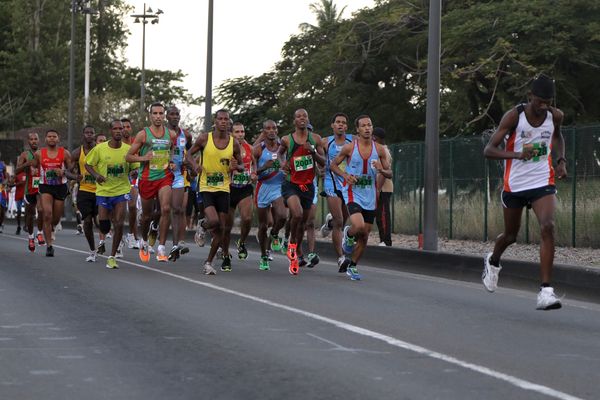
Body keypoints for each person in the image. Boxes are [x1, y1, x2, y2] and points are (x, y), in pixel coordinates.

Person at [482, 74, 566, 310]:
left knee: (547, 226)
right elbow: (489, 150)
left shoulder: (555, 116)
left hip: (542, 180)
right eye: (539, 101)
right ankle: (493, 260)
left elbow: (558, 135)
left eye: (548, 101)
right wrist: (517, 154)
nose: (543, 106)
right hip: (515, 184)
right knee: (510, 236)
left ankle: (546, 291)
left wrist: (560, 160)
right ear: (530, 96)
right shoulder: (514, 116)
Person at [330, 115, 392, 280]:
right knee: (358, 225)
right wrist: (345, 175)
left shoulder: (379, 150)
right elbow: (333, 165)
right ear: (357, 129)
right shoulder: (349, 148)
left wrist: (381, 169)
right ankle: (349, 234)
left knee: (364, 234)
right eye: (363, 126)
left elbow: (390, 173)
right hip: (352, 192)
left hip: (370, 195)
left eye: (369, 125)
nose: (367, 128)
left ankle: (353, 266)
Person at [185, 109, 244, 274]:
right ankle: (203, 224)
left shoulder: (234, 143)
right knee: (214, 221)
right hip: (206, 187)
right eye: (220, 119)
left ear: (229, 122)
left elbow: (241, 165)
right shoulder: (205, 138)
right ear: (215, 121)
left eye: (226, 119)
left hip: (224, 188)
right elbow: (188, 155)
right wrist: (195, 165)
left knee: (222, 228)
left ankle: (208, 263)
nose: (223, 121)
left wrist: (236, 167)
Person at [277, 109, 326, 275]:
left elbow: (323, 161)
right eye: (298, 116)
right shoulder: (286, 139)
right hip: (291, 183)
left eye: (305, 115)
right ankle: (291, 245)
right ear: (294, 121)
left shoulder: (316, 139)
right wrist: (282, 163)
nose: (302, 118)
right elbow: (279, 154)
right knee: (296, 214)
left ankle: (296, 249)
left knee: (303, 223)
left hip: (308, 186)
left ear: (308, 119)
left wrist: (312, 151)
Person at [126, 103, 176, 262]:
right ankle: (144, 241)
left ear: (164, 115)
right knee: (146, 216)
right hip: (147, 178)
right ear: (150, 115)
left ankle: (161, 247)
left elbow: (172, 149)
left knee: (166, 208)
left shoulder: (171, 134)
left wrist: (171, 161)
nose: (158, 116)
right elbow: (128, 156)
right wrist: (143, 158)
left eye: (161, 113)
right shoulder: (143, 135)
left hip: (164, 176)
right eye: (155, 113)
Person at [85, 120, 138, 269]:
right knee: (104, 226)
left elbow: (135, 167)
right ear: (110, 131)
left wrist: (134, 171)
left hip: (121, 191)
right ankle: (104, 234)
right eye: (115, 129)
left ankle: (112, 256)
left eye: (120, 128)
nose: (118, 131)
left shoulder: (129, 149)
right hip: (103, 191)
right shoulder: (100, 149)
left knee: (119, 223)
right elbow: (87, 164)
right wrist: (96, 175)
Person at [32, 129, 76, 256]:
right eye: (49, 136)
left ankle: (51, 228)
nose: (51, 138)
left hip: (60, 187)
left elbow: (70, 168)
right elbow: (34, 166)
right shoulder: (40, 153)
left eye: (54, 136)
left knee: (55, 219)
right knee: (47, 215)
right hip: (45, 186)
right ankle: (49, 246)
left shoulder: (65, 153)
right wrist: (34, 171)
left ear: (58, 138)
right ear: (45, 139)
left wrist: (64, 172)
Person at [319, 112, 353, 270]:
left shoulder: (353, 141)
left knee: (344, 219)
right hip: (331, 182)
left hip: (347, 183)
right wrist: (320, 168)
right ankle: (341, 257)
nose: (341, 125)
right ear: (333, 125)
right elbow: (318, 157)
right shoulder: (326, 142)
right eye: (338, 122)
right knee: (340, 221)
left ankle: (329, 223)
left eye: (343, 122)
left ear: (346, 126)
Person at [253, 120, 287, 271]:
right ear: (263, 132)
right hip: (263, 187)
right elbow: (252, 173)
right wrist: (262, 168)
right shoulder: (258, 150)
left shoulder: (283, 146)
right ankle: (263, 255)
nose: (271, 131)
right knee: (262, 225)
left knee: (282, 216)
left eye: (274, 128)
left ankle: (274, 234)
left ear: (277, 130)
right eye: (268, 128)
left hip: (278, 186)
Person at [227, 122, 257, 263]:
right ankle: (224, 249)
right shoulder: (226, 148)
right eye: (237, 132)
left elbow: (254, 164)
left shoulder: (250, 148)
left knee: (247, 218)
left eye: (242, 131)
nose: (240, 134)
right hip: (229, 189)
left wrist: (254, 174)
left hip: (244, 188)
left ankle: (242, 242)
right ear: (231, 134)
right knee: (227, 224)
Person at [165, 106, 192, 261]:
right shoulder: (161, 134)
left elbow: (189, 152)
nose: (175, 117)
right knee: (162, 210)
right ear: (167, 117)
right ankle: (154, 227)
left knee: (178, 209)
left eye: (177, 114)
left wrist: (191, 166)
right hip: (162, 174)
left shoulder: (186, 135)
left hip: (179, 175)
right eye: (172, 114)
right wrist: (167, 162)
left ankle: (176, 244)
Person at [71, 125, 100, 262]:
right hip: (84, 191)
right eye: (87, 132)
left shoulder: (100, 150)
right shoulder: (77, 153)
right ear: (83, 135)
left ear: (95, 135)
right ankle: (92, 250)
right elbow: (67, 170)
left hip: (100, 190)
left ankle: (107, 243)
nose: (89, 135)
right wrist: (74, 177)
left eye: (91, 132)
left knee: (100, 222)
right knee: (87, 221)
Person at [15, 132, 45, 250]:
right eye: (31, 139)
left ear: (39, 140)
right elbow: (17, 171)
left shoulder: (43, 153)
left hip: (41, 186)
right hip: (29, 188)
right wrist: (28, 164)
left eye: (35, 139)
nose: (34, 141)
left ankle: (40, 234)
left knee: (41, 210)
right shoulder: (24, 155)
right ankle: (31, 237)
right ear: (28, 141)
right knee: (30, 215)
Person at [121, 117, 141, 250]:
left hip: (135, 178)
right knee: (120, 211)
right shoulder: (116, 145)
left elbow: (144, 159)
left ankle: (132, 235)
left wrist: (138, 169)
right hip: (119, 179)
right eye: (122, 127)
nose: (125, 129)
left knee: (133, 206)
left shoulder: (137, 142)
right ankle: (125, 235)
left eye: (128, 127)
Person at [373, 127, 393, 247]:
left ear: (375, 138)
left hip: (383, 188)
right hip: (380, 188)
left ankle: (386, 241)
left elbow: (383, 173)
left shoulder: (382, 151)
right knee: (379, 216)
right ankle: (383, 240)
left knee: (383, 215)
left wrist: (378, 190)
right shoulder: (380, 150)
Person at [0, 153, 7, 233]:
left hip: (1, 187)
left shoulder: (3, 165)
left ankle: (1, 223)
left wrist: (4, 183)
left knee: (2, 209)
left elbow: (6, 178)